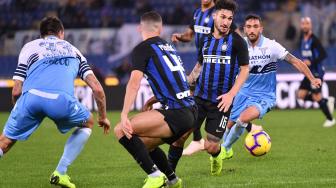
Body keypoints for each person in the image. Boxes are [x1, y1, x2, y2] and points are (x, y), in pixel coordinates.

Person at [0, 17, 111, 188]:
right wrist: (103, 117)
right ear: (61, 33)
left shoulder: (30, 47)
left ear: (41, 34)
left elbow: (16, 90)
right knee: (87, 122)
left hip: (31, 99)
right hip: (61, 101)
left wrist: (19, 110)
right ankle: (60, 172)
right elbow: (97, 89)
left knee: (5, 142)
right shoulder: (73, 50)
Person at [113, 11, 197, 188]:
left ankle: (155, 176)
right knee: (142, 145)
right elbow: (176, 81)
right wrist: (153, 99)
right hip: (191, 111)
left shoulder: (142, 48)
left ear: (139, 28)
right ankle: (173, 180)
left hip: (176, 112)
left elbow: (134, 82)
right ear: (160, 28)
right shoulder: (169, 47)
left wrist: (124, 114)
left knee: (121, 130)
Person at [220, 14, 322, 159]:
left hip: (264, 95)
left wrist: (311, 78)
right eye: (248, 27)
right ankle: (227, 149)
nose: (252, 30)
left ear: (261, 29)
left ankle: (225, 148)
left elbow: (295, 61)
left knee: (243, 119)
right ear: (244, 29)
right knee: (227, 124)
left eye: (255, 27)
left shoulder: (271, 46)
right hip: (242, 92)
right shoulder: (239, 45)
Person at [170, 0, 240, 157]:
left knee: (200, 98)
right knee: (193, 99)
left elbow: (234, 33)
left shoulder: (218, 14)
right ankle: (196, 140)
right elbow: (190, 34)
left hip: (219, 62)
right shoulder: (197, 14)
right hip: (203, 60)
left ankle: (245, 125)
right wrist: (180, 37)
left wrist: (239, 53)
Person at [296, 17, 335, 128]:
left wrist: (311, 61)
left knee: (316, 95)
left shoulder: (314, 39)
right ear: (301, 26)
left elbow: (323, 54)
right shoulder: (302, 40)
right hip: (308, 73)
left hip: (317, 73)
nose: (305, 26)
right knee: (301, 95)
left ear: (311, 25)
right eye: (303, 23)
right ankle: (326, 101)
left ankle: (330, 119)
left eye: (307, 23)